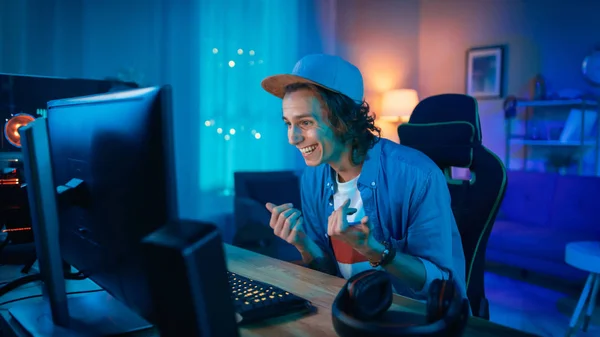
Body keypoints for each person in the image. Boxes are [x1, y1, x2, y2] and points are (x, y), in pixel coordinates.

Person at [260, 54, 467, 301]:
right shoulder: (312, 177)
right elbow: (327, 274)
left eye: (305, 123)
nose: (292, 138)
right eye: (288, 124)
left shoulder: (419, 176)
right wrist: (304, 244)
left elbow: (442, 285)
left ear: (344, 119)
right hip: (351, 313)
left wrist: (375, 251)